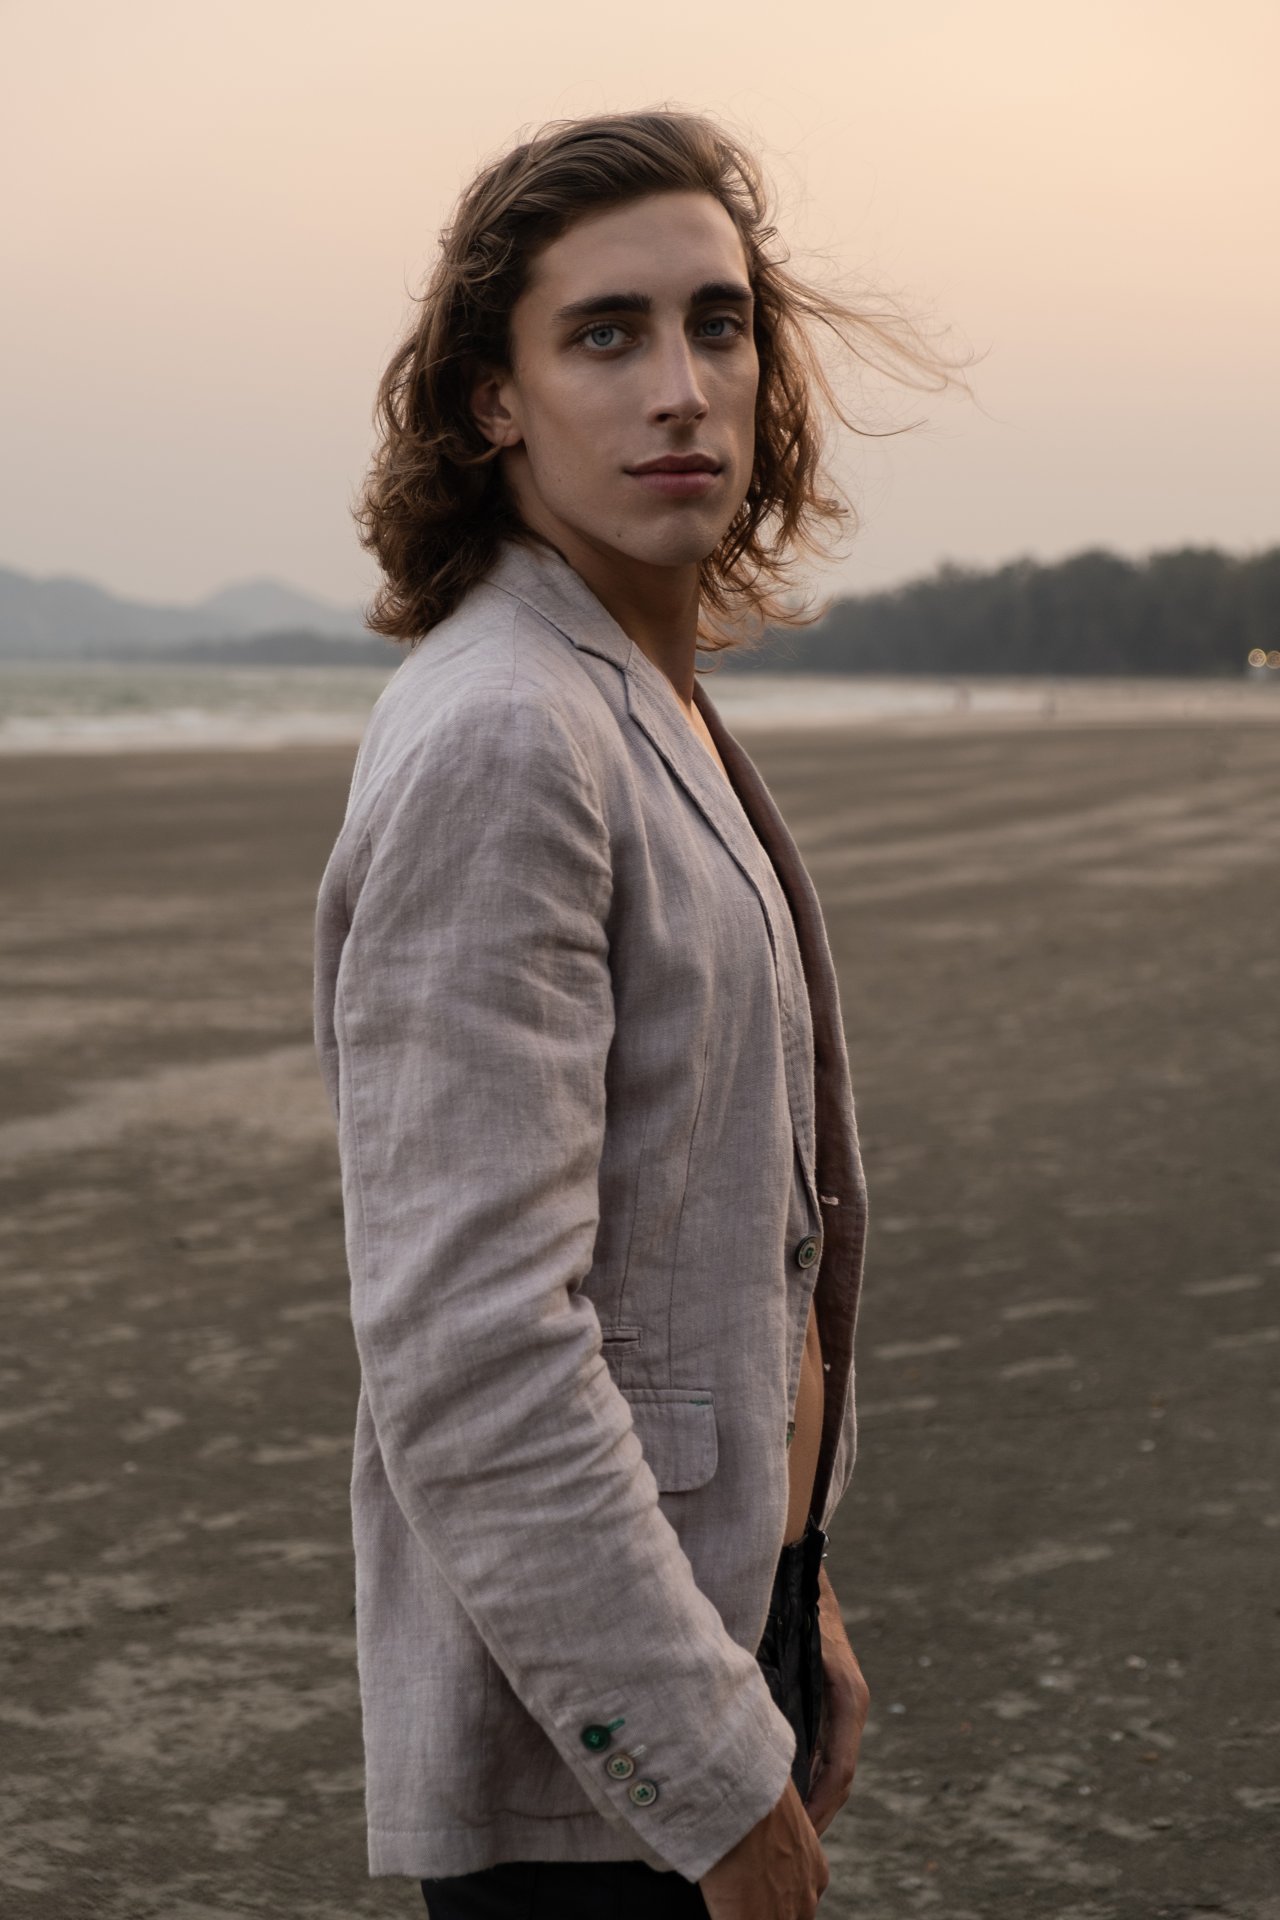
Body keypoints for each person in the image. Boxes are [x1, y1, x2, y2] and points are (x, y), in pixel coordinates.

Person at [314, 108, 967, 1919]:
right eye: (604, 334)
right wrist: (705, 1780)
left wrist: (793, 1586)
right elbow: (473, 1346)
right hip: (590, 1777)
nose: (681, 386)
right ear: (491, 401)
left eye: (718, 323)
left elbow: (696, 1257)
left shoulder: (630, 693)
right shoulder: (509, 735)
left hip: (715, 1625)